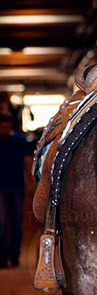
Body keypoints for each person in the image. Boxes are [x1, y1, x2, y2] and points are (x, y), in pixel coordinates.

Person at [0, 109, 34, 268]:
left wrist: (30, 183)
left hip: (16, 187)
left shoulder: (20, 141)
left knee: (16, 223)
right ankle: (2, 257)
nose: (4, 129)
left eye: (6, 126)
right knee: (1, 223)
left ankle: (14, 256)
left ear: (11, 124)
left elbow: (28, 163)